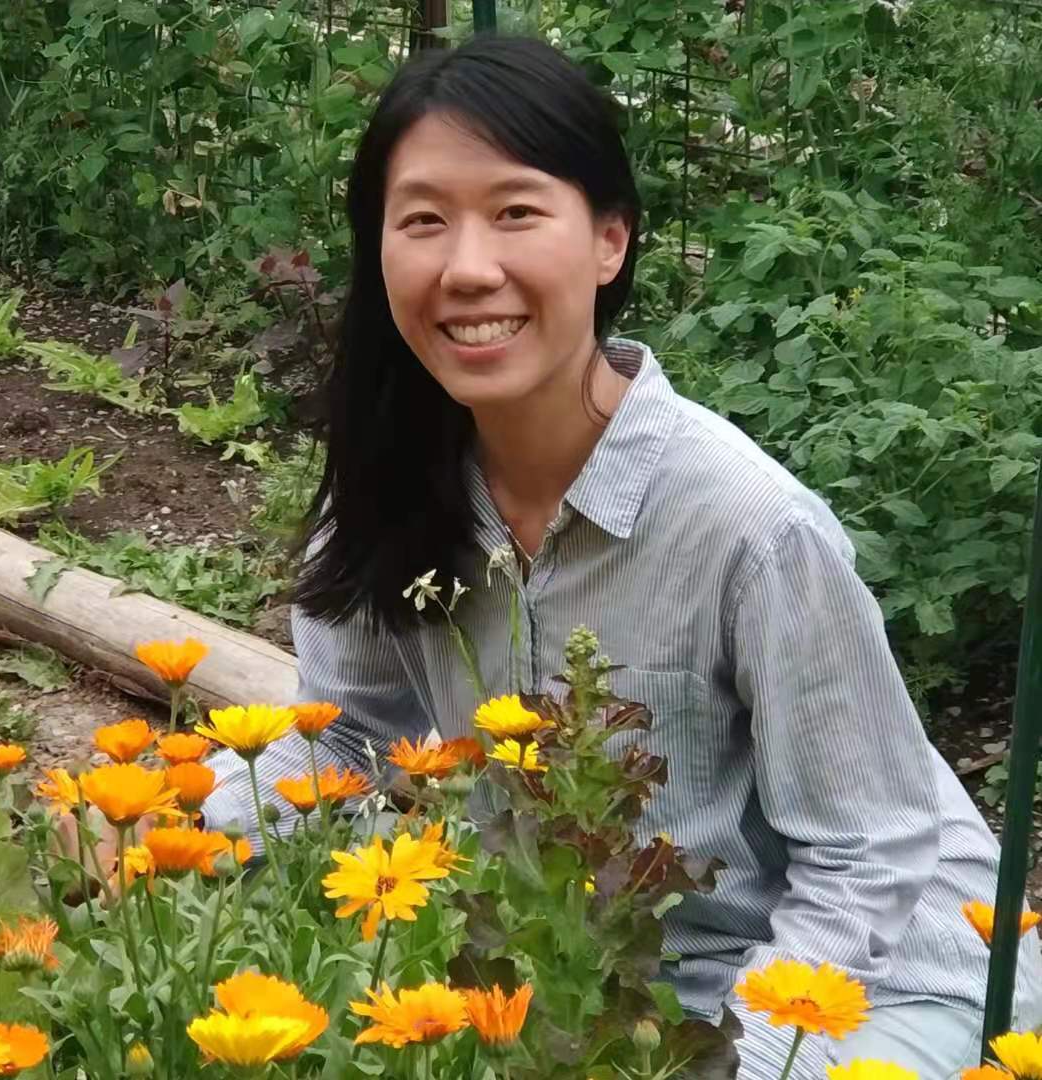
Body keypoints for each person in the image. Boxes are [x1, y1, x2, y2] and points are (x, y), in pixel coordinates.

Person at [201, 34, 1042, 1078]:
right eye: (423, 220)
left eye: (516, 212)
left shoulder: (749, 527)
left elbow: (869, 858)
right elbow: (352, 742)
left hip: (860, 978)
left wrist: (745, 1055)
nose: (468, 268)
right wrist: (183, 857)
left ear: (609, 242)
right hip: (584, 973)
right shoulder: (390, 496)